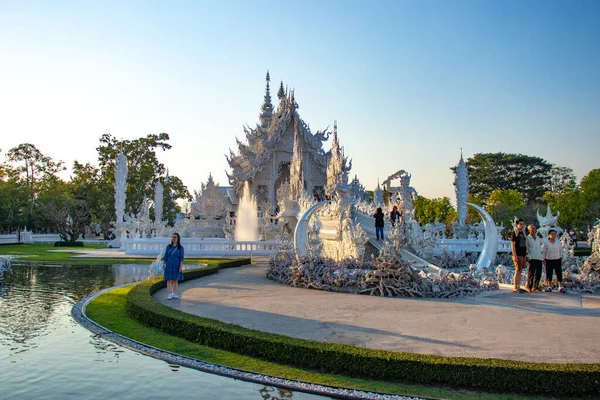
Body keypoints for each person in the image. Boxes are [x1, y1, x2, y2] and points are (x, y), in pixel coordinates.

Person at [163, 232, 185, 300]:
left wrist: (180, 266)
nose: (174, 238)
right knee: (169, 279)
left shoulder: (180, 248)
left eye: (175, 237)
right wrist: (164, 263)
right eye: (173, 237)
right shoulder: (168, 246)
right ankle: (169, 294)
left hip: (176, 264)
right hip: (169, 263)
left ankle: (174, 293)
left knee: (175, 280)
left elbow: (181, 258)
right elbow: (165, 256)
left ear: (178, 238)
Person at [543, 229, 565, 293]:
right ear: (549, 235)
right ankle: (549, 286)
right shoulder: (546, 243)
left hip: (557, 259)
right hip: (549, 259)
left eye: (555, 234)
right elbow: (544, 251)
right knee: (549, 273)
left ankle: (560, 286)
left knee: (559, 272)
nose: (554, 235)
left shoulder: (558, 242)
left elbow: (560, 250)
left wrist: (561, 259)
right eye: (552, 234)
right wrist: (544, 260)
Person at [510, 219, 527, 293]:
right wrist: (514, 255)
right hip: (517, 254)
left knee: (520, 271)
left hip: (523, 254)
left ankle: (519, 286)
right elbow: (513, 245)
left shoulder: (523, 233)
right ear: (517, 225)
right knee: (517, 270)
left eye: (523, 224)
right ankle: (515, 287)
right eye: (520, 224)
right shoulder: (514, 233)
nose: (522, 225)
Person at [525, 225, 543, 292]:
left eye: (534, 228)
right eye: (532, 229)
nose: (534, 230)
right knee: (531, 272)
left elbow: (540, 246)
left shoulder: (538, 238)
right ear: (529, 230)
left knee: (538, 272)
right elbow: (526, 247)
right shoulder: (527, 238)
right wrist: (527, 255)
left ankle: (536, 286)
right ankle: (529, 286)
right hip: (531, 256)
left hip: (539, 256)